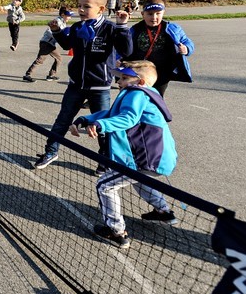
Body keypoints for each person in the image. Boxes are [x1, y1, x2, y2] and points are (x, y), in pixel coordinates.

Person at [69, 60, 178, 249]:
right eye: (120, 78)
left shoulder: (136, 93)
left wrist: (101, 125)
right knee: (139, 180)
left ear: (141, 82)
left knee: (105, 185)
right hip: (155, 157)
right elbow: (112, 112)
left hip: (144, 158)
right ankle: (163, 212)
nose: (119, 82)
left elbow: (128, 118)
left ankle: (117, 232)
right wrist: (86, 119)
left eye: (125, 78)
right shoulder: (143, 93)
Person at [32, 0, 133, 172]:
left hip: (99, 87)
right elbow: (67, 44)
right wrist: (57, 32)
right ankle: (51, 151)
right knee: (63, 120)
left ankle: (105, 160)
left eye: (86, 6)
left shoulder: (110, 28)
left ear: (101, 9)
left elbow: (126, 50)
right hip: (76, 85)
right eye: (79, 6)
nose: (81, 10)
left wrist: (122, 25)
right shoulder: (78, 27)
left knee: (102, 125)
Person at [121, 0, 194, 97]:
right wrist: (118, 58)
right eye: (150, 14)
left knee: (157, 97)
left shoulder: (172, 28)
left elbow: (187, 41)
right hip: (140, 71)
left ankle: (155, 112)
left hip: (162, 71)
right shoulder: (135, 29)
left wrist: (186, 49)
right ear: (143, 14)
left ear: (163, 13)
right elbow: (124, 46)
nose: (154, 17)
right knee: (137, 96)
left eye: (158, 13)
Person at [23, 6, 74, 82]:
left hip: (51, 44)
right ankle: (28, 75)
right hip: (46, 43)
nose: (70, 17)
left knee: (58, 59)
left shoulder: (63, 22)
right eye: (68, 16)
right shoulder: (57, 21)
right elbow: (51, 31)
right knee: (40, 59)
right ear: (63, 14)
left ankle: (51, 75)